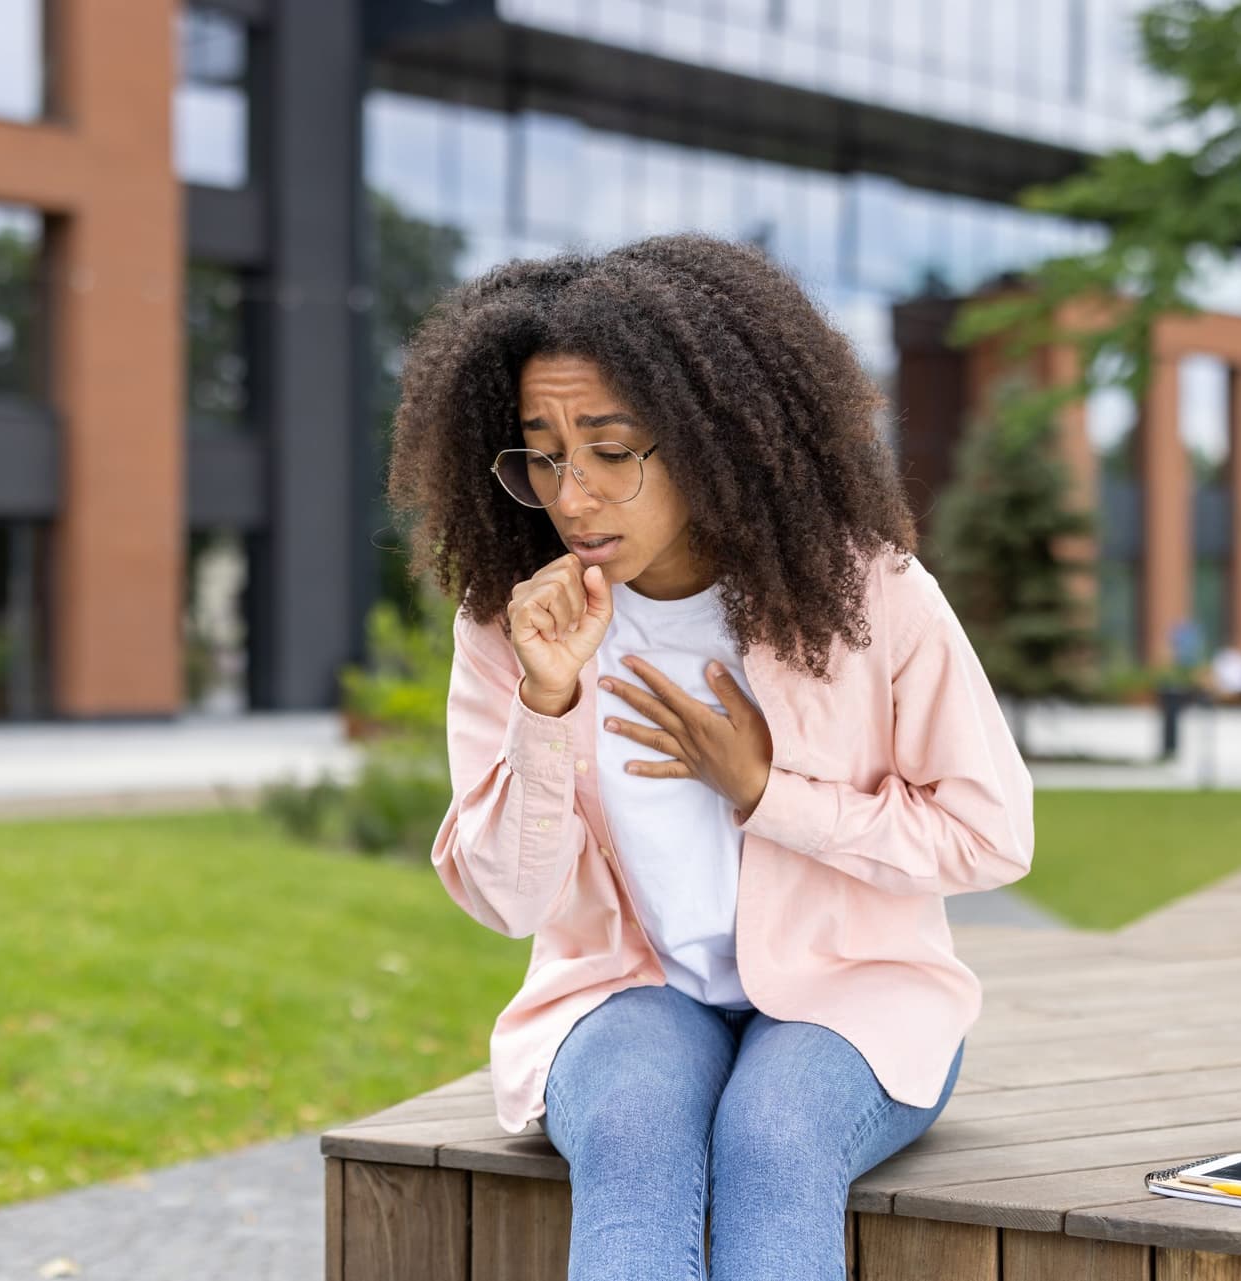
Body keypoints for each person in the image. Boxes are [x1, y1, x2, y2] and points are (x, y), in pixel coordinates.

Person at [384, 234, 1035, 1281]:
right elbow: (508, 900)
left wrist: (767, 792)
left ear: (710, 438)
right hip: (626, 995)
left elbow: (991, 834)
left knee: (774, 1137)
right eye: (542, 452)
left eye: (610, 448)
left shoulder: (870, 595)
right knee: (636, 1135)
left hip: (856, 998)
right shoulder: (511, 626)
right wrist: (548, 703)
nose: (573, 494)